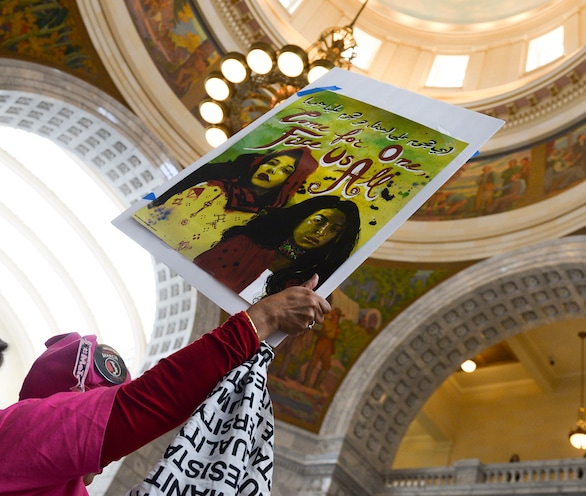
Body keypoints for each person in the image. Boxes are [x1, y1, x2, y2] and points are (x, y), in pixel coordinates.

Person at [0, 276, 330, 494]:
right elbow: (144, 404)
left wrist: (261, 342)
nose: (110, 457)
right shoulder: (20, 431)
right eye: (96, 406)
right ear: (67, 405)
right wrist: (264, 318)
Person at [131, 148, 319, 259]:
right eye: (272, 162)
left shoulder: (258, 220)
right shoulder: (214, 188)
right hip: (144, 242)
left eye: (284, 170)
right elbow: (158, 217)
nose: (271, 169)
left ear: (288, 183)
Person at [194, 195, 361, 299]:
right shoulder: (244, 244)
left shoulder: (304, 282)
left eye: (334, 230)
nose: (321, 232)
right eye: (319, 220)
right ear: (301, 217)